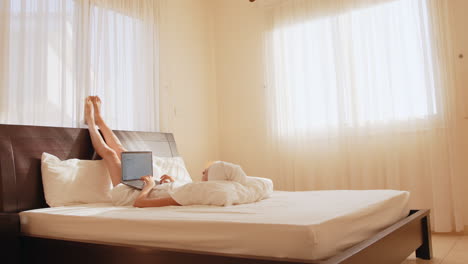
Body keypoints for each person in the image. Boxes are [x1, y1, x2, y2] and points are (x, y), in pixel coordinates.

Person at [84, 96, 188, 208]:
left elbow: (140, 203)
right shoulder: (191, 191)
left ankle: (90, 121)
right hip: (147, 185)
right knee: (121, 151)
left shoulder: (189, 198)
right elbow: (169, 192)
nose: (203, 173)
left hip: (131, 196)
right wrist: (172, 182)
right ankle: (99, 120)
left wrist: (149, 186)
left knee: (111, 155)